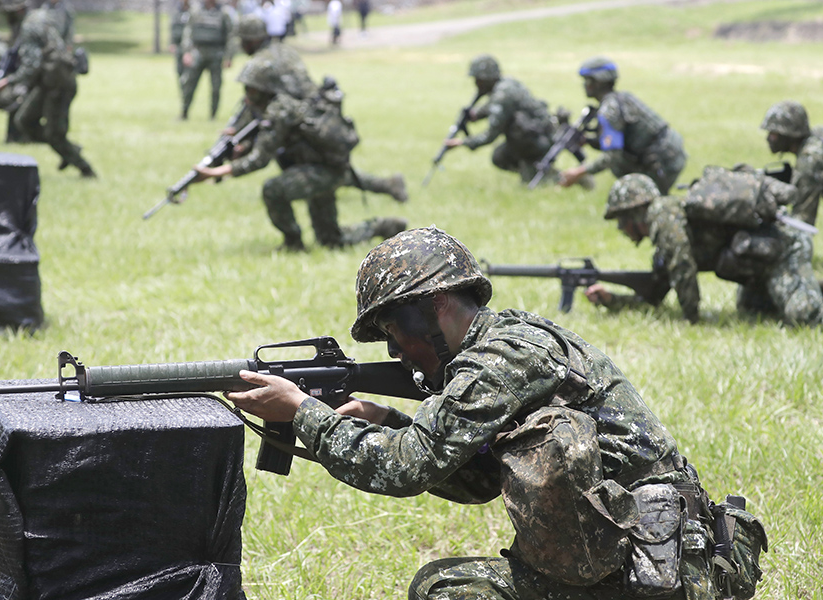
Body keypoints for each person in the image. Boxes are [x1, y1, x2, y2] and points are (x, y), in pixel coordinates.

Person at [222, 225, 767, 600]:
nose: (394, 352)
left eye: (394, 332)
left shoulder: (499, 360)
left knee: (447, 590)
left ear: (432, 307)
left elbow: (406, 468)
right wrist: (384, 422)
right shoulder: (505, 342)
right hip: (651, 556)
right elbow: (481, 480)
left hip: (657, 572)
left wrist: (304, 414)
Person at [193, 60, 408, 251]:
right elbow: (268, 142)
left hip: (321, 172)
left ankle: (293, 242)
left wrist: (214, 173)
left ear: (265, 90)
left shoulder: (280, 110)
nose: (248, 97)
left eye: (253, 91)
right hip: (319, 169)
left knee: (273, 190)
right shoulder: (272, 107)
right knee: (330, 240)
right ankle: (383, 226)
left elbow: (260, 159)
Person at [586, 173, 822, 326]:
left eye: (621, 220)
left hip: (785, 250)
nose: (621, 229)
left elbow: (682, 265)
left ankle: (806, 289)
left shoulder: (662, 214)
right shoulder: (669, 224)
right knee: (751, 308)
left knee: (805, 316)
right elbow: (655, 295)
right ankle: (809, 285)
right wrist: (612, 300)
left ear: (635, 212)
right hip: (760, 267)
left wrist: (692, 319)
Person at [0, 0, 96, 177]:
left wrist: (9, 81)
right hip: (48, 81)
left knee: (54, 134)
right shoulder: (40, 17)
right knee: (24, 120)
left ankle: (86, 169)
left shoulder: (30, 25)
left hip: (59, 84)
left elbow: (31, 65)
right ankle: (68, 148)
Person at [560, 57, 686, 194]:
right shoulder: (620, 98)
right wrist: (589, 141)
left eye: (588, 80)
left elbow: (613, 156)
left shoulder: (609, 111)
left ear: (597, 82)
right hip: (669, 152)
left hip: (661, 160)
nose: (585, 85)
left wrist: (579, 172)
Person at [443, 55, 561, 186]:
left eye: (478, 80)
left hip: (538, 141)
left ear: (486, 79)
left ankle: (546, 175)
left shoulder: (502, 95)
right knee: (499, 156)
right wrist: (474, 115)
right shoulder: (506, 84)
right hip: (544, 136)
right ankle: (532, 172)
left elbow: (490, 135)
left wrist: (462, 142)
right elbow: (491, 106)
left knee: (513, 136)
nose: (476, 84)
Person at [760, 100, 823, 226]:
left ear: (789, 134)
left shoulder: (809, 161)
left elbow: (802, 223)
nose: (768, 138)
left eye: (774, 133)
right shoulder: (817, 137)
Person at [180, 0, 234, 120]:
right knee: (189, 84)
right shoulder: (196, 11)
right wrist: (187, 52)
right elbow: (188, 32)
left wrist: (228, 56)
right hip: (198, 52)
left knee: (216, 87)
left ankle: (213, 115)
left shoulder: (223, 13)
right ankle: (184, 112)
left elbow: (230, 35)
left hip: (216, 53)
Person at [170, 0, 191, 96]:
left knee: (189, 71)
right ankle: (183, 90)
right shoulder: (177, 13)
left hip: (189, 47)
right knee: (179, 70)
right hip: (179, 46)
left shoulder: (192, 12)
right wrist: (172, 43)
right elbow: (173, 29)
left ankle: (187, 90)